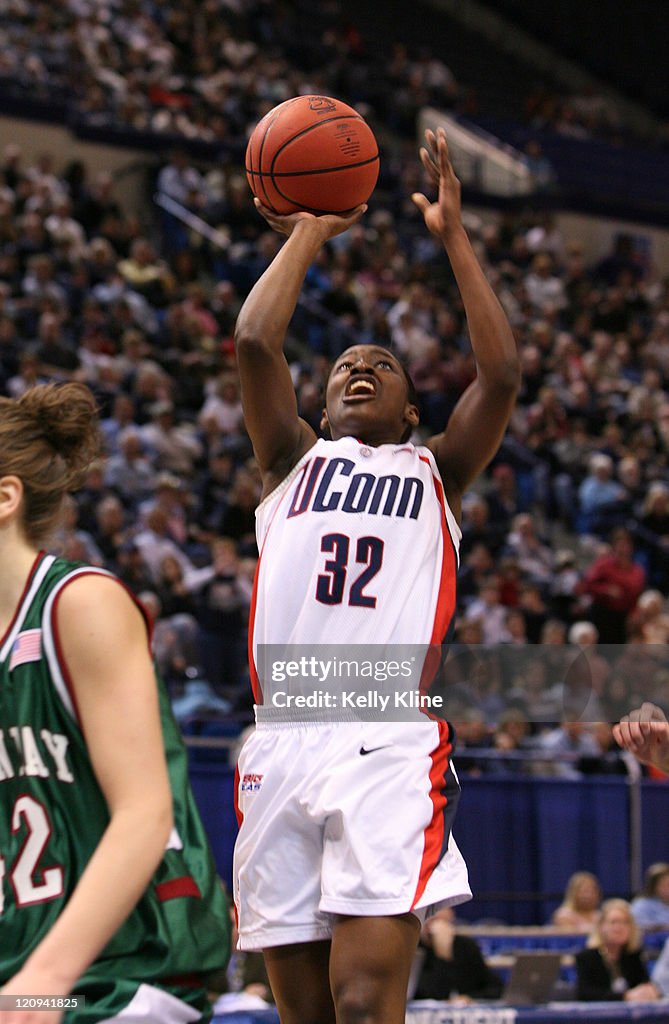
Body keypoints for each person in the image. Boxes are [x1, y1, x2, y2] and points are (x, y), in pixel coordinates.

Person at [232, 127, 520, 1024]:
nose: (359, 367)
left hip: (384, 733)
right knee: (304, 1015)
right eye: (344, 368)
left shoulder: (438, 468)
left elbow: (502, 373)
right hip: (279, 736)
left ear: (410, 407)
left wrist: (453, 239)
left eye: (381, 366)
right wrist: (309, 230)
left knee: (363, 1005)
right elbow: (251, 338)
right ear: (318, 404)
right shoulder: (288, 457)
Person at [0, 382, 230, 1024]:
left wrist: (41, 982)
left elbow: (144, 814)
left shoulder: (78, 605)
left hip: (109, 976)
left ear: (5, 497)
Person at [575, 899, 658, 1002]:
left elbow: (644, 983)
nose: (619, 927)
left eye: (625, 922)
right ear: (601, 926)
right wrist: (625, 997)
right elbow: (584, 994)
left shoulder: (634, 955)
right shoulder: (587, 957)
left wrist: (649, 990)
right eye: (613, 922)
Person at [413, 907, 503, 1002]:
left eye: (439, 909)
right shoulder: (413, 949)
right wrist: (443, 955)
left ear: (451, 914)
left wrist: (470, 998)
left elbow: (495, 988)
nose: (433, 917)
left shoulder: (467, 946)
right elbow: (431, 994)